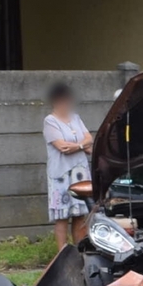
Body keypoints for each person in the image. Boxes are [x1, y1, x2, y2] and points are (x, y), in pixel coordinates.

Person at [43, 83, 93, 251]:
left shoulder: (76, 118)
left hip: (80, 173)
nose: (65, 104)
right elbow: (62, 147)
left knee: (80, 215)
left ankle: (81, 252)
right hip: (61, 175)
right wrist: (82, 146)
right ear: (54, 102)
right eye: (61, 101)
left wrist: (78, 146)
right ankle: (62, 254)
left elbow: (89, 139)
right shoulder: (50, 121)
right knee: (62, 216)